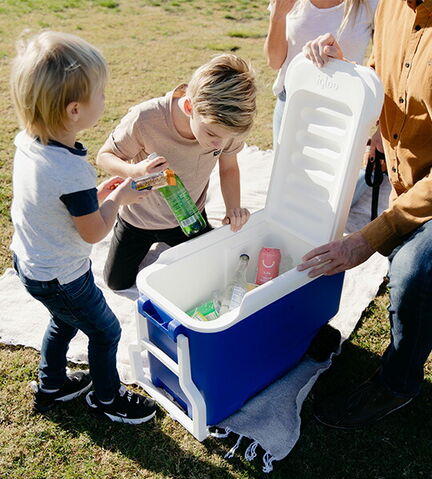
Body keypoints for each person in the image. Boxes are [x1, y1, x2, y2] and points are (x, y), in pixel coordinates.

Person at [299, 0, 432, 429]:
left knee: (414, 270)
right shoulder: (393, 5)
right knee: (411, 274)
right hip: (420, 176)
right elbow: (386, 73)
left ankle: (397, 384)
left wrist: (368, 238)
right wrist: (350, 74)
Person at [10, 31, 157, 424]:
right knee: (105, 331)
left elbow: (53, 200)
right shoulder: (71, 171)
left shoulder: (29, 141)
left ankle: (52, 385)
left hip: (32, 263)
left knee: (63, 321)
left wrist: (93, 196)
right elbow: (92, 232)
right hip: (63, 276)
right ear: (74, 110)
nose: (106, 99)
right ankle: (108, 398)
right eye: (101, 94)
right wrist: (116, 200)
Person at [97, 54, 257, 290]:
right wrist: (134, 170)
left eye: (225, 139)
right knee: (116, 283)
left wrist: (233, 209)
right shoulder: (145, 118)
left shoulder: (226, 128)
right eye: (211, 135)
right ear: (190, 107)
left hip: (189, 217)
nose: (219, 145)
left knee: (214, 275)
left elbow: (229, 167)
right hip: (138, 219)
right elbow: (104, 156)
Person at [264, 0, 378, 204]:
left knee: (328, 201)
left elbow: (383, 63)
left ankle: (364, 175)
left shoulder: (370, 4)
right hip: (293, 104)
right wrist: (278, 16)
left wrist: (381, 128)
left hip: (342, 112)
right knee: (285, 192)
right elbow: (274, 62)